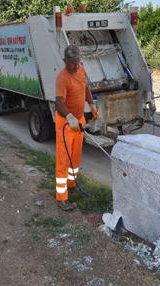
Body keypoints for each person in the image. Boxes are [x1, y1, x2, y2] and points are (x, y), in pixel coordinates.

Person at [54, 45, 98, 211]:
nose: (76, 66)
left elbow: (85, 87)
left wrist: (91, 104)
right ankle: (61, 197)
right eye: (72, 63)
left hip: (78, 121)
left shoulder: (81, 70)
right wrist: (69, 117)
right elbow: (59, 102)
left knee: (75, 157)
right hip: (66, 123)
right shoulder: (62, 78)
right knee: (63, 160)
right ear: (66, 62)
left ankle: (71, 184)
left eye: (78, 62)